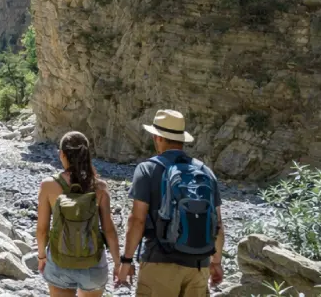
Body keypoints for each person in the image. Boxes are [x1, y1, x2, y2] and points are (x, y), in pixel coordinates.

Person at [116, 110, 225, 297]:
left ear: (157, 137)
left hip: (159, 264)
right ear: (182, 139)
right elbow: (219, 224)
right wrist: (215, 262)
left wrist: (126, 261)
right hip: (198, 266)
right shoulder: (205, 171)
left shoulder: (147, 169)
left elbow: (137, 221)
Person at [36, 131, 122, 297]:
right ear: (87, 154)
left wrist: (41, 257)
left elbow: (42, 230)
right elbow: (109, 230)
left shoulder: (48, 186)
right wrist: (118, 263)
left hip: (59, 262)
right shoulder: (100, 187)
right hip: (93, 264)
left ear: (62, 154)